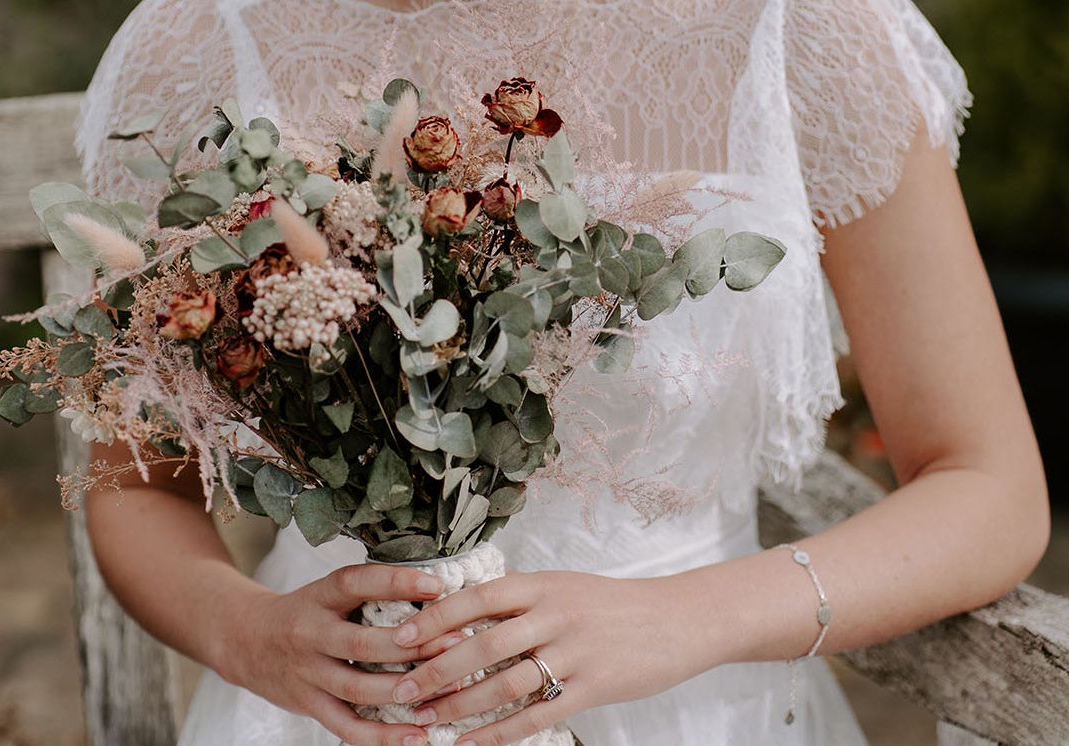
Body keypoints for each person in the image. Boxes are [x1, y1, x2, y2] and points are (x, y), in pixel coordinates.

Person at [78, 0, 1049, 744]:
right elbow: (135, 482)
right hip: (335, 708)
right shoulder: (201, 40)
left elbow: (990, 487)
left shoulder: (808, 29)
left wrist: (684, 617)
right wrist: (253, 634)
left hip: (696, 701)